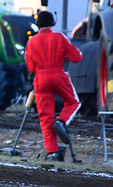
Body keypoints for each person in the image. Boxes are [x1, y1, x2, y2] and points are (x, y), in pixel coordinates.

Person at [25, 10, 83, 161]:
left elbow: (30, 67)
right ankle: (62, 121)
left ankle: (52, 152)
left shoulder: (31, 42)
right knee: (73, 102)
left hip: (41, 79)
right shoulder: (59, 37)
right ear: (53, 22)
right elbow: (77, 57)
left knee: (45, 117)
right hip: (58, 75)